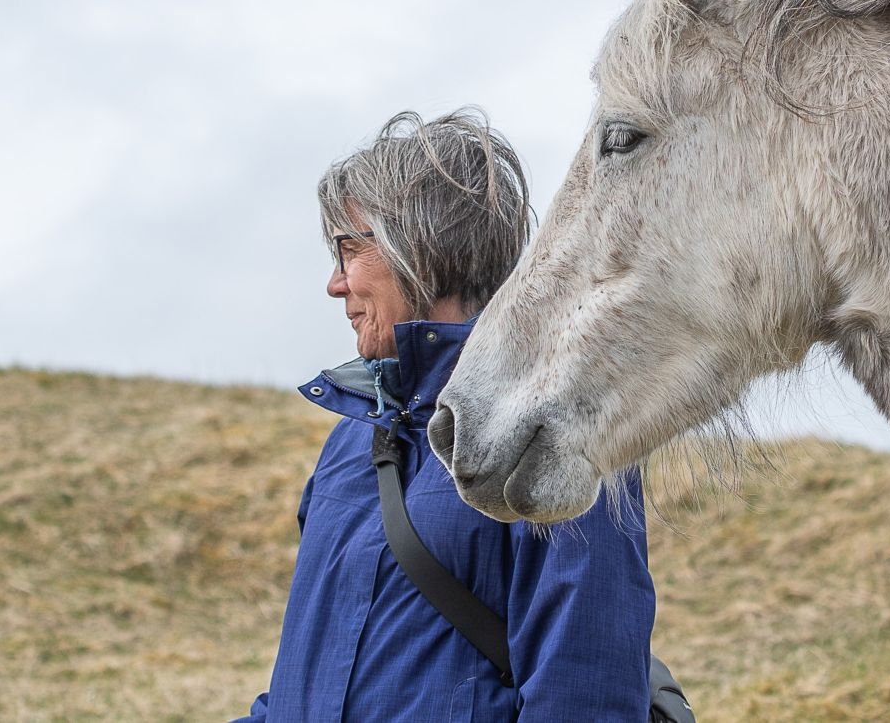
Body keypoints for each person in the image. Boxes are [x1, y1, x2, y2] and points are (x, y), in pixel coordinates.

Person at [234, 109, 656, 722]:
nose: (334, 283)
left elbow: (586, 692)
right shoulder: (348, 445)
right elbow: (303, 684)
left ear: (423, 249)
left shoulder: (556, 431)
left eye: (349, 249)